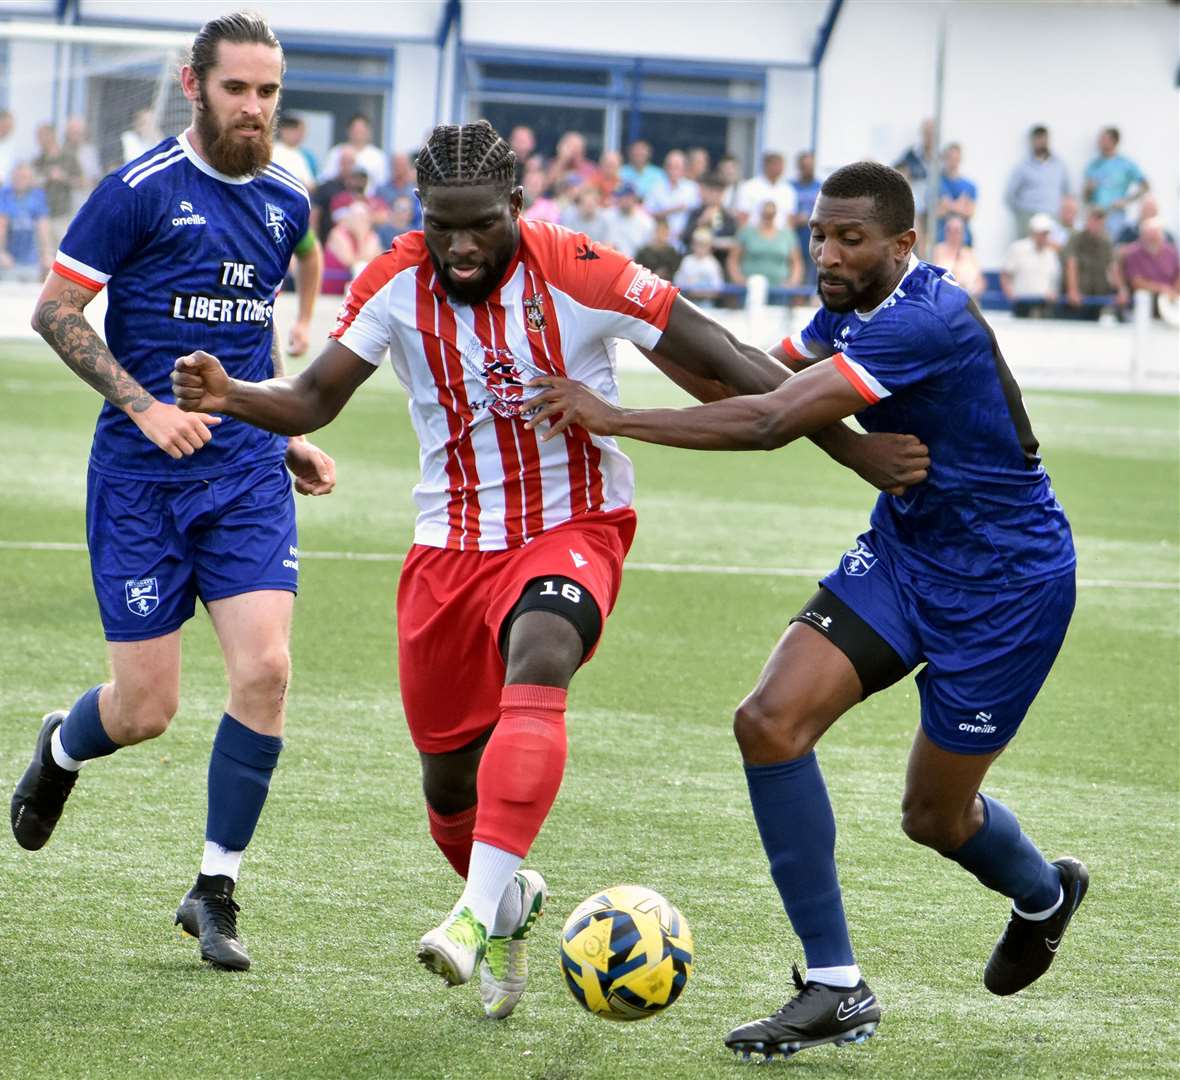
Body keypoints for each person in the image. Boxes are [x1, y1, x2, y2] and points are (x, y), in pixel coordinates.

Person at [171, 120, 927, 1021]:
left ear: (517, 207)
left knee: (542, 650)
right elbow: (311, 399)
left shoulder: (581, 267)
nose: (460, 247)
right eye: (441, 225)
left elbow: (728, 360)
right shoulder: (393, 278)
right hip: (448, 547)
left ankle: (464, 921)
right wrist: (232, 397)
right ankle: (506, 900)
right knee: (448, 785)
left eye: (481, 225)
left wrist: (852, 448)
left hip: (575, 527)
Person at [525, 160, 1087, 1060]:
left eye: (850, 238)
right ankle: (835, 986)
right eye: (818, 233)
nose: (826, 250)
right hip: (906, 555)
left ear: (904, 244)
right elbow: (742, 385)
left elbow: (766, 423)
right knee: (768, 723)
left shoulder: (925, 317)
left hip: (1006, 588)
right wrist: (637, 312)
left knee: (934, 818)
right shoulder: (850, 310)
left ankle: (1044, 895)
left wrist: (614, 418)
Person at [10, 11, 332, 974]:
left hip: (240, 474)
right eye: (237, 88)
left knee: (266, 671)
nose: (255, 108)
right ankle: (61, 749)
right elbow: (54, 310)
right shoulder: (137, 192)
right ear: (195, 86)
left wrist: (289, 435)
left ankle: (214, 889)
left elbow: (256, 338)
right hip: (140, 484)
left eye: (268, 91)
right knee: (146, 709)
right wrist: (146, 406)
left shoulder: (287, 200)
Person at [1083, 127, 1146, 243]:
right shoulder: (1094, 164)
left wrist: (1127, 201)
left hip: (1116, 216)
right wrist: (1089, 190)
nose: (1099, 142)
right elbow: (1086, 197)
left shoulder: (1125, 164)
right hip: (1097, 216)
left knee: (1114, 247)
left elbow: (1145, 186)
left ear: (1114, 141)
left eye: (1103, 139)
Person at [1005, 125, 1070, 237]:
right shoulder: (1023, 166)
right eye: (1037, 139)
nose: (1040, 142)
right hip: (1028, 215)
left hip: (1052, 215)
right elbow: (1010, 194)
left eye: (1043, 138)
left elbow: (1067, 191)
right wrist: (1022, 212)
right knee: (1025, 249)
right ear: (1032, 141)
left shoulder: (1059, 165)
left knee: (1052, 249)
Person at [0, 162, 51, 283]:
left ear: (31, 180)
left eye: (24, 178)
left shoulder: (37, 195)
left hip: (31, 260)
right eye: (17, 177)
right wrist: (1, 253)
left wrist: (46, 253)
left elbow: (43, 226)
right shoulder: (3, 194)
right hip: (9, 259)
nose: (20, 181)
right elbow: (0, 226)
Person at [1062, 206, 1125, 321]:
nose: (1096, 224)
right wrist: (1073, 290)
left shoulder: (1106, 242)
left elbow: (1113, 267)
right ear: (1088, 220)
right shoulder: (1076, 238)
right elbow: (1071, 264)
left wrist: (1121, 290)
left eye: (1099, 221)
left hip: (1098, 298)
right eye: (1094, 220)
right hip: (1079, 299)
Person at [728, 199, 802, 292]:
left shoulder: (787, 234)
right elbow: (733, 259)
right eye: (765, 214)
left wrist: (792, 282)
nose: (768, 217)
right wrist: (739, 280)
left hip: (780, 290)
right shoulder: (746, 232)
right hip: (750, 289)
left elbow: (796, 262)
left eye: (771, 214)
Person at [1001, 213, 1061, 317]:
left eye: (1046, 233)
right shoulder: (1018, 248)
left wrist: (1052, 294)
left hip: (1044, 306)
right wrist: (1010, 294)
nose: (1045, 237)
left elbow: (1054, 280)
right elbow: (1005, 274)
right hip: (1021, 304)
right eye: (1042, 233)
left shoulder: (1051, 254)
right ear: (1034, 233)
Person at [1119, 217, 1179, 317]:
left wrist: (1174, 292)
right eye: (1149, 236)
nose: (1152, 239)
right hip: (1144, 304)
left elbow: (1178, 274)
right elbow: (1136, 282)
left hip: (1170, 304)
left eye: (1155, 235)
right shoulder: (1133, 253)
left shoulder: (1171, 252)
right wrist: (1162, 289)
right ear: (1142, 236)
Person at [324, 198, 381, 294]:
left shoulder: (372, 237)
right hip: (333, 289)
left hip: (355, 290)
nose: (359, 221)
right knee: (359, 267)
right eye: (356, 217)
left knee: (362, 266)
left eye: (363, 218)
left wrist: (361, 237)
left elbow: (368, 262)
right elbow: (350, 262)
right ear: (349, 218)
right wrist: (360, 237)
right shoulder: (338, 233)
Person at [644, 150, 701, 244]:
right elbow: (647, 214)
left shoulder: (692, 188)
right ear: (665, 168)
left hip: (684, 242)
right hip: (659, 242)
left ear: (684, 169)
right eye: (670, 167)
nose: (673, 171)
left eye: (677, 167)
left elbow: (696, 215)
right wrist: (672, 210)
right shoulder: (656, 187)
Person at [322, 113, 387, 190]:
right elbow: (325, 178)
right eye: (355, 130)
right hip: (340, 196)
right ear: (348, 131)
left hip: (368, 199)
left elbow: (382, 183)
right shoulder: (336, 152)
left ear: (368, 132)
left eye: (361, 130)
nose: (358, 133)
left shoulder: (378, 156)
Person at [931, 214, 985, 298]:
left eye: (956, 231)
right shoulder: (938, 250)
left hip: (968, 299)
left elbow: (980, 282)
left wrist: (973, 290)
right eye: (949, 230)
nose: (953, 234)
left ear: (963, 233)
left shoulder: (969, 253)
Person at [737, 151, 795, 229]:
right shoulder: (749, 187)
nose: (779, 168)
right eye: (775, 164)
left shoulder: (788, 190)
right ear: (766, 165)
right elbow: (742, 217)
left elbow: (789, 220)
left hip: (780, 237)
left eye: (781, 165)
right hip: (754, 235)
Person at [789, 151, 821, 284]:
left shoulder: (821, 187)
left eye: (810, 165)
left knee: (812, 276)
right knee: (796, 274)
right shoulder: (789, 187)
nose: (808, 169)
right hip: (794, 237)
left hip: (814, 236)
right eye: (804, 165)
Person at [935, 142, 977, 244]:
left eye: (956, 158)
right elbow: (937, 212)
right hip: (940, 239)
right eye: (950, 158)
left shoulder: (970, 185)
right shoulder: (936, 183)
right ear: (944, 159)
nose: (953, 162)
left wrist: (948, 205)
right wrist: (959, 205)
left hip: (964, 240)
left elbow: (969, 213)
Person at [601, 184, 654, 258]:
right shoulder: (607, 216)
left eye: (626, 197)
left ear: (634, 198)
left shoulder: (646, 222)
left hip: (636, 264)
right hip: (611, 261)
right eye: (620, 197)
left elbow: (648, 250)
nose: (623, 200)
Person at [674, 227, 724, 304]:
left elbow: (718, 288)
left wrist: (701, 293)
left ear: (709, 246)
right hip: (688, 302)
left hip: (707, 303)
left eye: (704, 244)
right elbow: (678, 282)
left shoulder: (713, 263)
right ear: (693, 244)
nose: (700, 248)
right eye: (698, 244)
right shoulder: (687, 261)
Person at [272, 114, 318, 192]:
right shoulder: (272, 150)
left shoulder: (300, 155)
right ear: (285, 131)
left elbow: (310, 185)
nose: (301, 135)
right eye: (297, 131)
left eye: (302, 132)